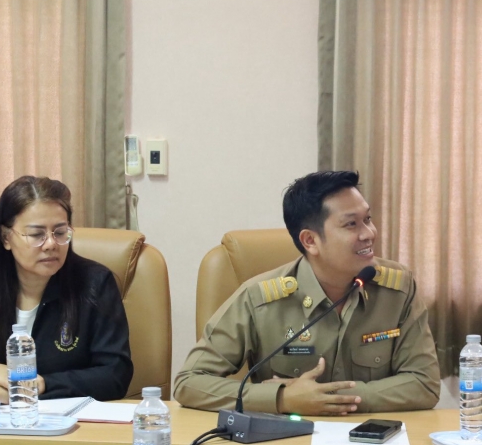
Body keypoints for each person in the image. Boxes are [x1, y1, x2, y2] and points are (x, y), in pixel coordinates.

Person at [174, 171, 440, 415]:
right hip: (285, 442)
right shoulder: (259, 300)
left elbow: (424, 384)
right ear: (310, 241)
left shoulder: (398, 289)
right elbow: (189, 382)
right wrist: (282, 399)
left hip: (376, 440)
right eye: (351, 224)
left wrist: (326, 398)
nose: (369, 233)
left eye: (368, 219)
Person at [0, 176, 133, 403]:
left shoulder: (95, 283)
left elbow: (115, 374)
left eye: (60, 232)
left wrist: (34, 388)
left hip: (64, 422)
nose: (51, 244)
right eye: (37, 235)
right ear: (6, 238)